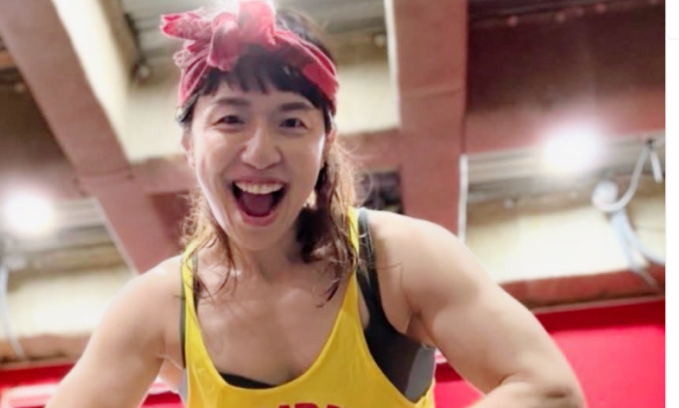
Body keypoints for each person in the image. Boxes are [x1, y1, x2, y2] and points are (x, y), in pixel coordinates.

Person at [45, 2, 584, 407]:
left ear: (325, 143)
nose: (260, 152)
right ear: (189, 143)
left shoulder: (401, 261)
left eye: (291, 122)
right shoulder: (157, 308)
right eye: (231, 119)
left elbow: (549, 390)